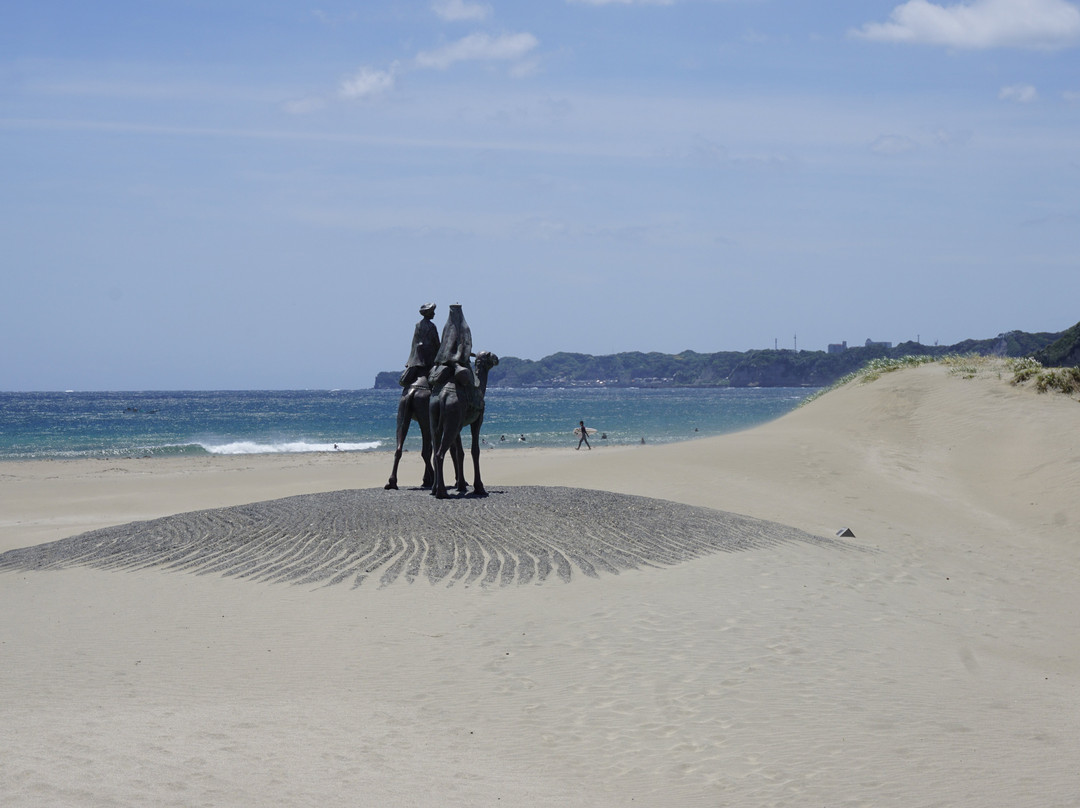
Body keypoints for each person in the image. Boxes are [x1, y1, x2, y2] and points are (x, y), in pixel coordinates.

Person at [398, 303, 439, 388]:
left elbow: (414, 342)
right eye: (432, 312)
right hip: (429, 355)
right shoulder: (432, 326)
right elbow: (436, 342)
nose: (434, 314)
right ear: (428, 313)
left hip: (417, 355)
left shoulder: (418, 325)